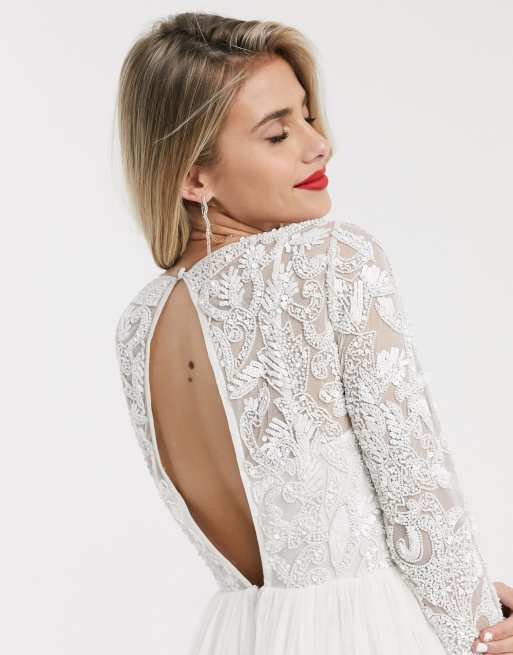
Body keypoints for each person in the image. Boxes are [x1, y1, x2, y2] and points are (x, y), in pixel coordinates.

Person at [114, 12, 510, 655]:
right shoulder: (330, 261)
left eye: (307, 116)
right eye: (277, 133)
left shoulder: (139, 328)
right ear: (193, 177)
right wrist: (482, 631)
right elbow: (419, 504)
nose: (319, 144)